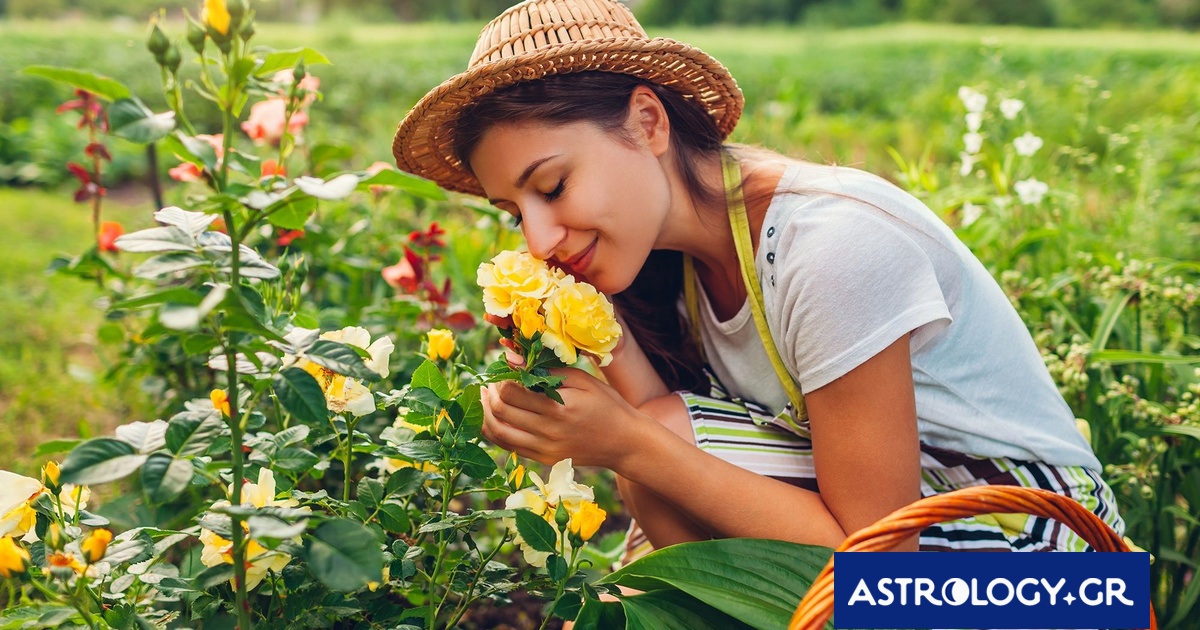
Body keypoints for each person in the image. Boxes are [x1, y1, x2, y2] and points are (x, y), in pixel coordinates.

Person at [392, 0, 1123, 556]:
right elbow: (664, 454)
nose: (538, 237)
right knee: (657, 467)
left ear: (648, 123)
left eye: (551, 187)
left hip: (1054, 571)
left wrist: (629, 444)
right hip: (914, 540)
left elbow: (881, 562)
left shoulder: (830, 246)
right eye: (513, 212)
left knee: (656, 452)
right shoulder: (668, 258)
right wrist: (585, 333)